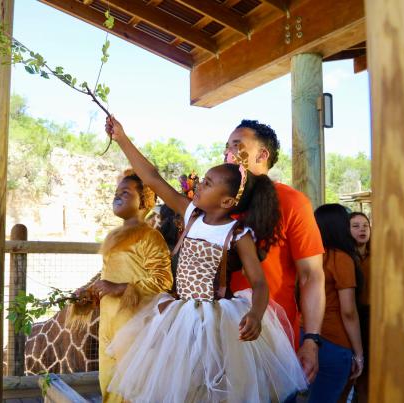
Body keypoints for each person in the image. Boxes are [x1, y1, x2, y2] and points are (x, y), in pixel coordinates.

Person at [104, 117, 307, 402]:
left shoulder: (237, 234)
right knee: (178, 384)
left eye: (208, 183)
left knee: (215, 386)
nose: (199, 185)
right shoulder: (190, 214)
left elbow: (260, 284)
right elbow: (151, 178)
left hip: (215, 320)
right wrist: (122, 138)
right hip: (179, 315)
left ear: (226, 201)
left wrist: (256, 315)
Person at [225, 120, 325, 383]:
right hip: (219, 338)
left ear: (262, 154)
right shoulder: (219, 202)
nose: (229, 152)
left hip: (273, 341)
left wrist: (311, 340)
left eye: (237, 145)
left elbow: (311, 276)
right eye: (227, 146)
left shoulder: (292, 202)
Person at [83, 169, 173, 403]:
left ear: (144, 200)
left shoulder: (149, 237)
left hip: (135, 327)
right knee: (109, 385)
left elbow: (163, 280)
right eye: (116, 192)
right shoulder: (114, 235)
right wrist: (91, 292)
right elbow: (109, 277)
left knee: (132, 388)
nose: (117, 196)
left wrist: (121, 288)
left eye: (125, 192)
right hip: (108, 326)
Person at [308, 204, 364, 402]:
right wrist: (359, 353)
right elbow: (348, 311)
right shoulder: (340, 258)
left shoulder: (310, 257)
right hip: (334, 340)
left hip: (306, 335)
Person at [348, 211, 371, 402]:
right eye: (355, 226)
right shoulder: (345, 258)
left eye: (365, 225)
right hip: (352, 315)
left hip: (373, 316)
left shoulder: (379, 255)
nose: (362, 229)